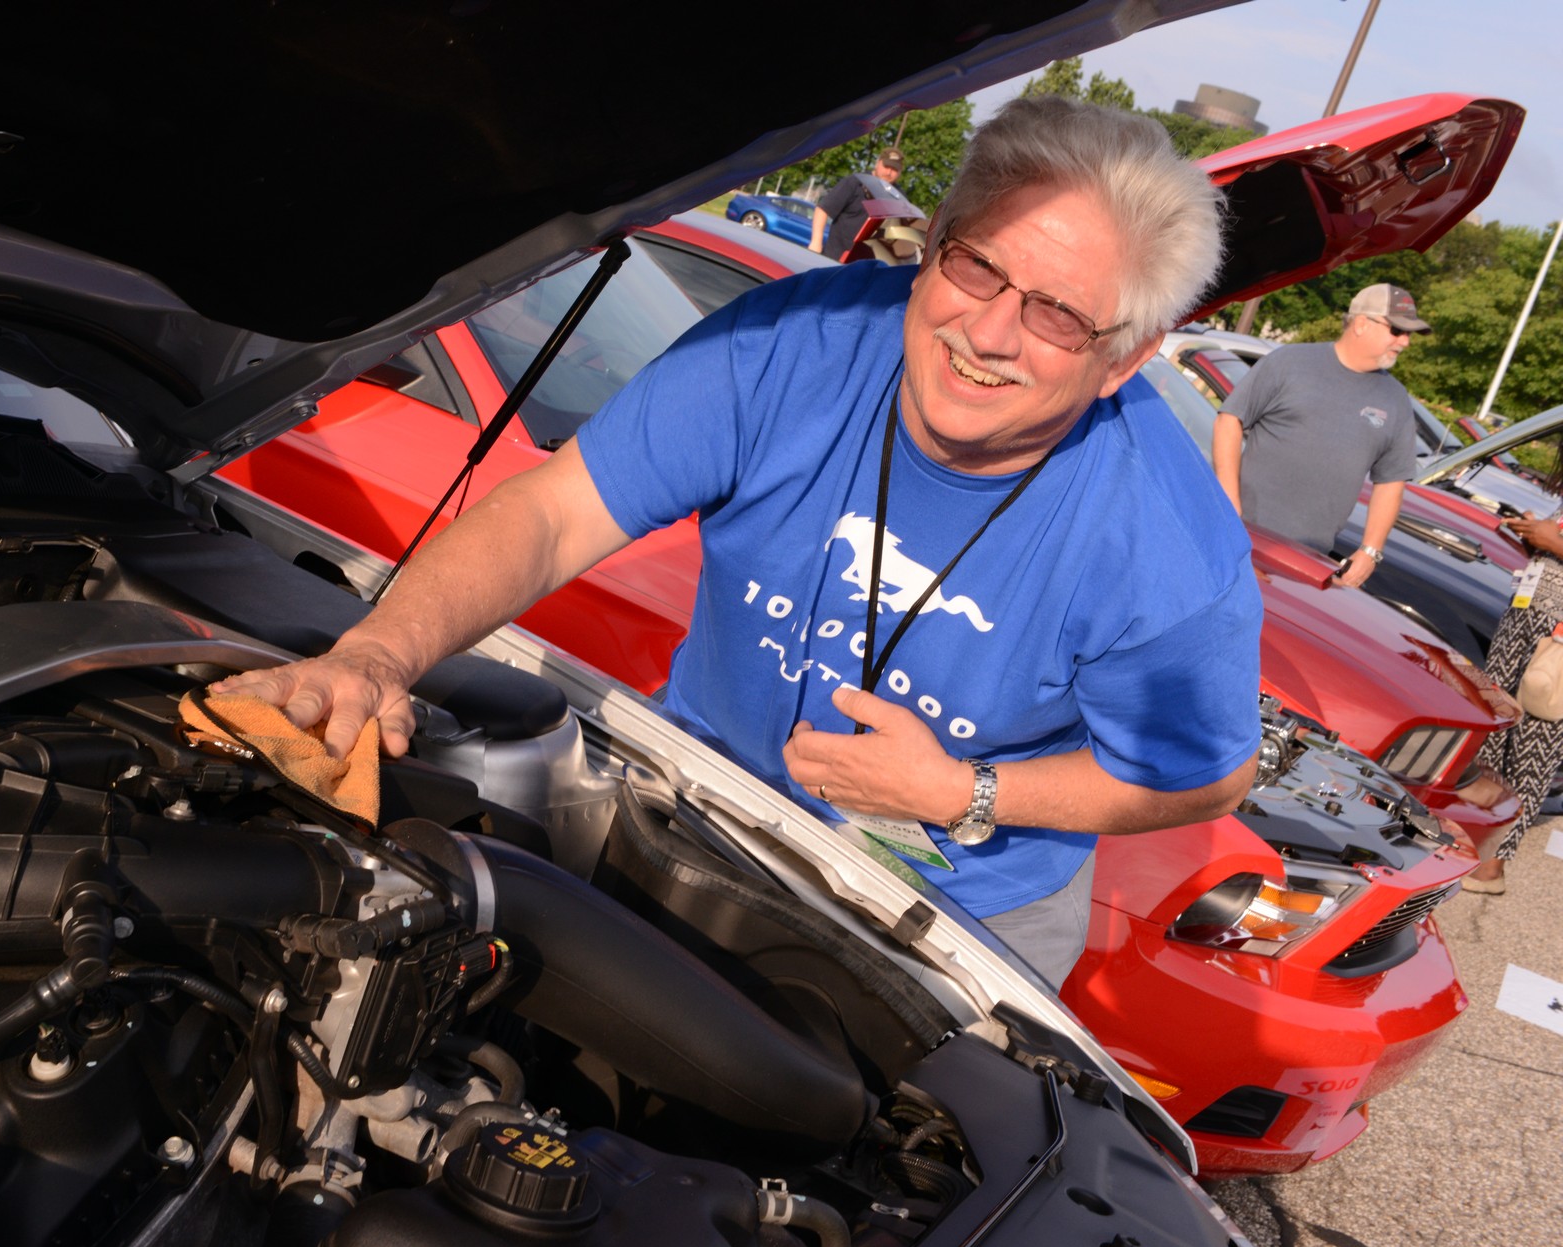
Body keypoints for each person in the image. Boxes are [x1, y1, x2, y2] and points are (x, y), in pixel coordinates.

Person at [215, 97, 1263, 986]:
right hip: (703, 810)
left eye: (1055, 317)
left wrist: (965, 793)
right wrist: (378, 654)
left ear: (1125, 358)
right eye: (977, 266)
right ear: (932, 236)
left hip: (955, 917)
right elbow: (554, 514)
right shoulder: (787, 348)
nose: (986, 333)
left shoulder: (1169, 549)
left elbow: (1204, 778)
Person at [1211, 284, 1429, 588]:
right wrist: (1228, 497)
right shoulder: (1289, 363)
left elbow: (1391, 481)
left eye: (1409, 334)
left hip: (1308, 561)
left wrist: (1371, 550)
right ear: (1362, 323)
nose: (1405, 342)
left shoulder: (1396, 399)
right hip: (1239, 538)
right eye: (1397, 330)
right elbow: (1229, 420)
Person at [1467, 503, 1563, 893]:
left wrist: (1554, 541)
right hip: (1525, 612)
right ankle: (1472, 839)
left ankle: (1492, 865)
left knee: (1533, 748)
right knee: (1492, 728)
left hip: (1557, 634)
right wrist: (1536, 539)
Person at [808, 147, 907, 260]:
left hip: (870, 265)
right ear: (878, 163)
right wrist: (816, 243)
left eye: (894, 169)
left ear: (900, 172)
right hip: (835, 259)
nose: (889, 172)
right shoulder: (855, 182)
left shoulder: (899, 197)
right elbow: (823, 209)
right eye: (886, 166)